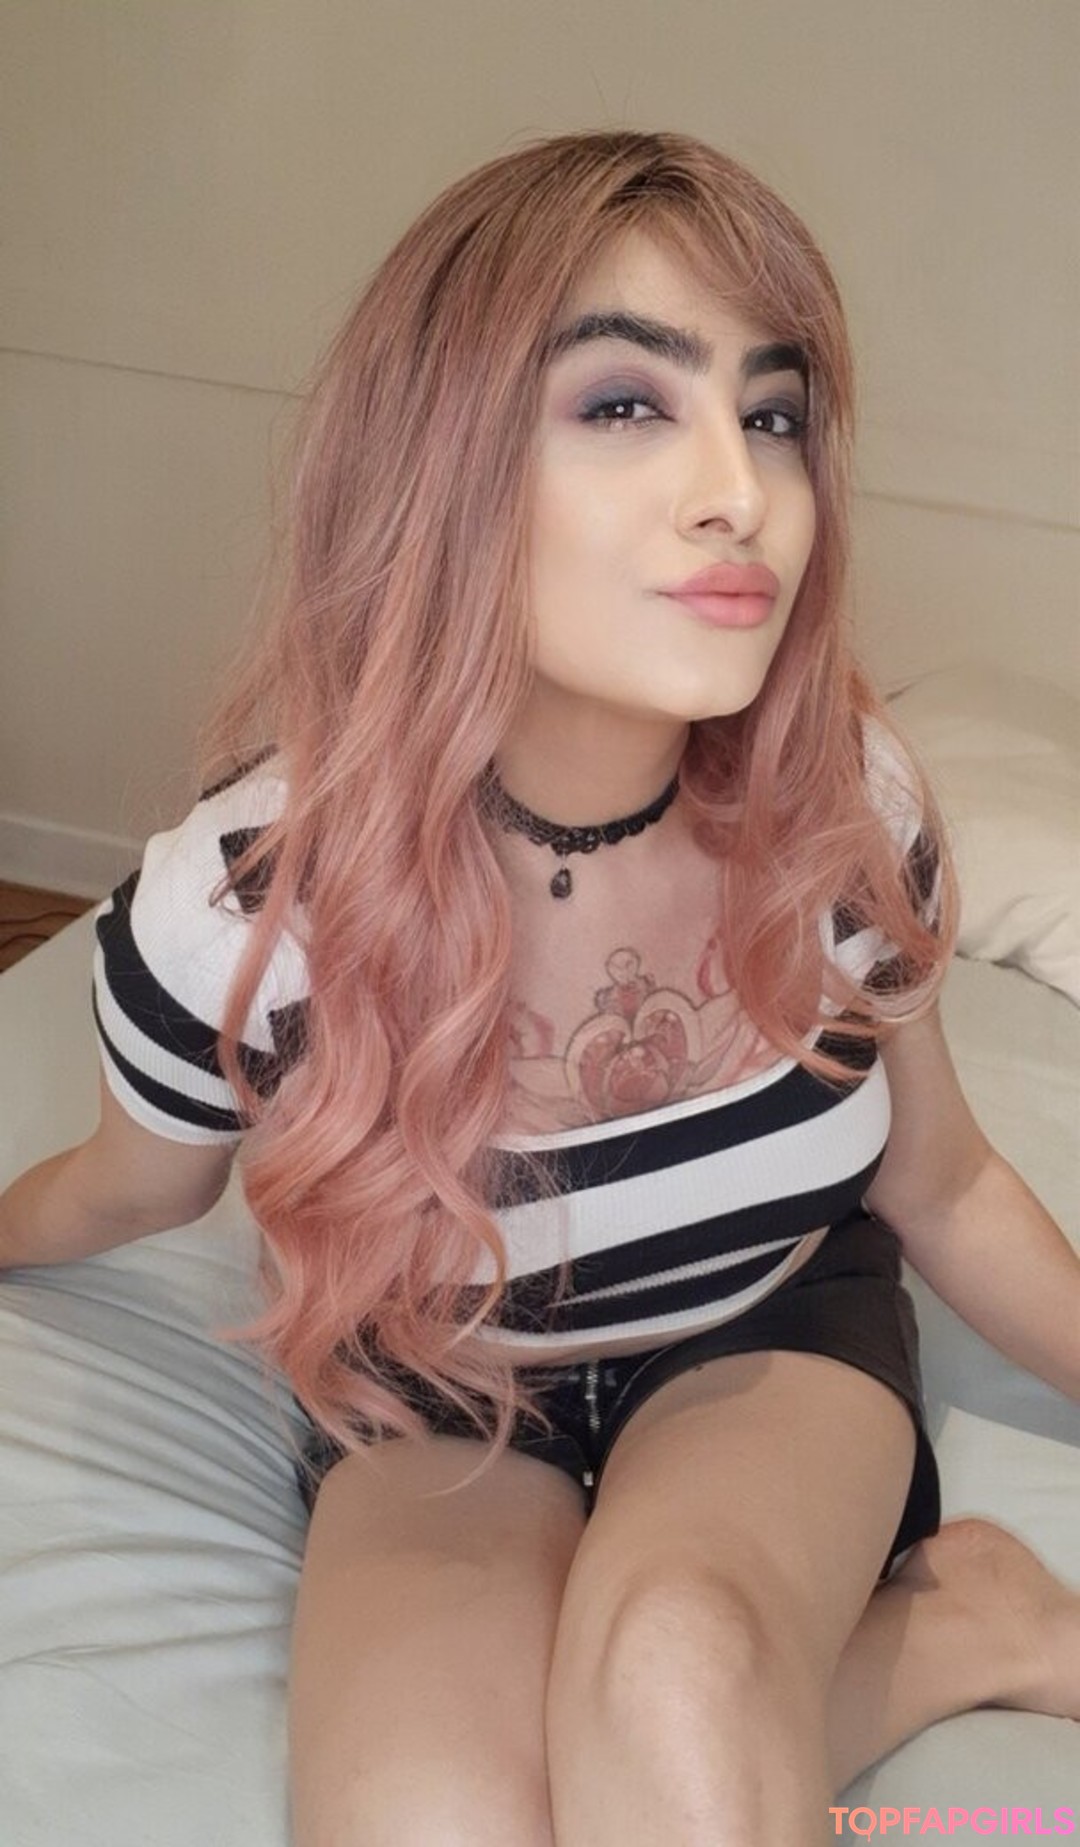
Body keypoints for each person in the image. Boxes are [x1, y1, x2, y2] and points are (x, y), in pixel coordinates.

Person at [1, 129, 1077, 1847]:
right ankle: (956, 1633)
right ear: (438, 465)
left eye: (775, 414)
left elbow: (940, 1184)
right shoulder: (242, 911)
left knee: (674, 1678)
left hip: (766, 1332)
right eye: (628, 403)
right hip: (433, 1400)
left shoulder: (843, 813)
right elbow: (131, 1184)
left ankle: (948, 1613)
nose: (739, 490)